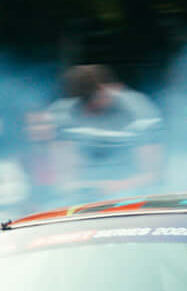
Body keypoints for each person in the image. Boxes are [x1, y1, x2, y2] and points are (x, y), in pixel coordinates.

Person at [44, 65, 164, 196]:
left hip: (131, 192)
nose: (88, 108)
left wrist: (119, 186)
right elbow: (64, 174)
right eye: (83, 103)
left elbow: (152, 174)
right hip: (82, 195)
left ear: (105, 89)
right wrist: (82, 188)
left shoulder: (139, 109)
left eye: (92, 100)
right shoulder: (62, 113)